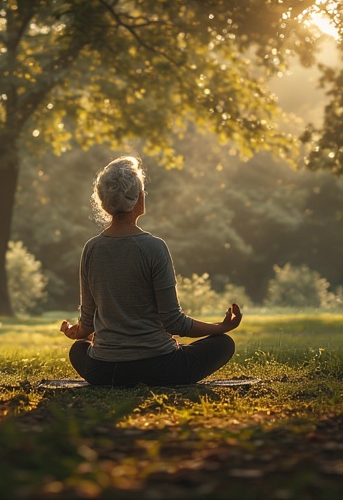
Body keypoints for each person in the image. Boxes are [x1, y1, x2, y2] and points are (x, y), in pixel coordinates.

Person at [60, 156, 242, 386]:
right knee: (224, 343)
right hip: (160, 368)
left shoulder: (91, 249)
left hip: (105, 371)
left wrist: (76, 331)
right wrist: (221, 327)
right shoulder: (154, 247)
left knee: (79, 350)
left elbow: (87, 324)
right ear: (138, 198)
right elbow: (173, 322)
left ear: (105, 202)